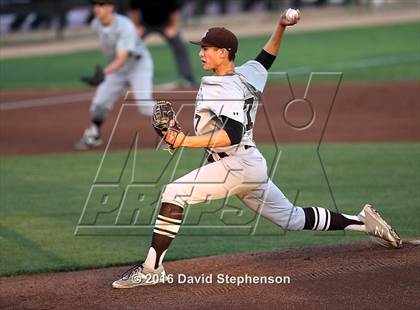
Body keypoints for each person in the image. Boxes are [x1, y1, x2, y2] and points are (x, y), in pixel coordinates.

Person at [112, 9, 402, 288]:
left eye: (207, 48)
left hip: (235, 164)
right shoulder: (246, 74)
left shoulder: (220, 86)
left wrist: (183, 140)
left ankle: (152, 269)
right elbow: (266, 58)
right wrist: (280, 26)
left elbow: (232, 134)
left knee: (174, 193)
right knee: (293, 218)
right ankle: (363, 222)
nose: (201, 53)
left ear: (223, 53)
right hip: (248, 164)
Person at [75, 0, 154, 150]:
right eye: (95, 4)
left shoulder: (125, 26)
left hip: (138, 65)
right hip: (116, 69)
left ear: (111, 7)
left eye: (102, 4)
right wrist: (107, 72)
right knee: (99, 103)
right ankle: (94, 134)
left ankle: (170, 131)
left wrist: (103, 73)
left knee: (144, 104)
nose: (97, 8)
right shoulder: (96, 24)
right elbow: (116, 58)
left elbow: (122, 57)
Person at [129, 0, 196, 86]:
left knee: (179, 45)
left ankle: (187, 76)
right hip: (145, 24)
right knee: (130, 45)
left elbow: (174, 12)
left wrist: (172, 27)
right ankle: (127, 77)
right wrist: (136, 27)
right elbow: (134, 11)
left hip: (165, 24)